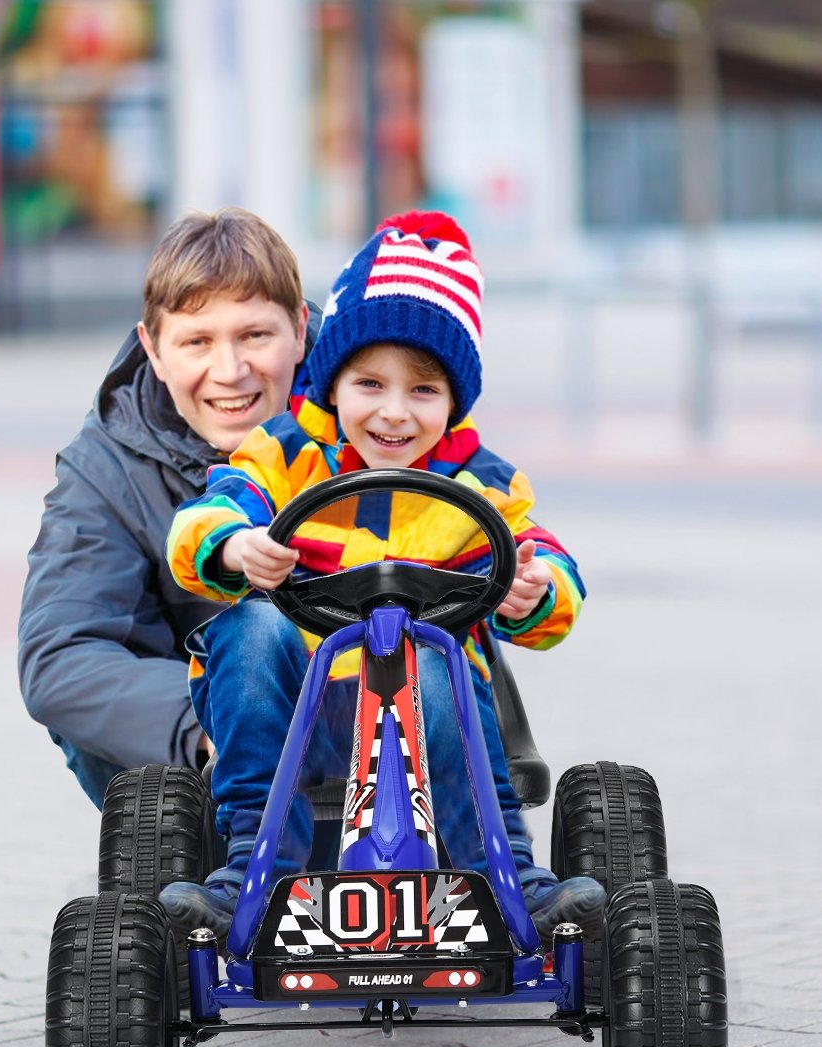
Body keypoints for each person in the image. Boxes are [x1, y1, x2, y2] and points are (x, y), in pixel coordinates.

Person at [160, 209, 604, 948]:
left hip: (427, 713)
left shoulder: (482, 484)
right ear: (333, 382)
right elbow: (205, 516)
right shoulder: (284, 454)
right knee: (250, 624)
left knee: (436, 661)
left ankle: (509, 879)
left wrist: (536, 590)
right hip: (298, 705)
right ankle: (254, 870)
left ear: (454, 402)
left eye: (423, 392)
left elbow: (547, 561)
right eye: (370, 383)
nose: (394, 414)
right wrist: (236, 546)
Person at [18, 208, 318, 807]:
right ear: (154, 351)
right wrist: (215, 722)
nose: (230, 372)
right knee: (91, 710)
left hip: (379, 720)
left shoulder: (376, 414)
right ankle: (187, 864)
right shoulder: (107, 466)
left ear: (300, 328)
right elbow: (60, 655)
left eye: (254, 335)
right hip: (210, 759)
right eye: (197, 342)